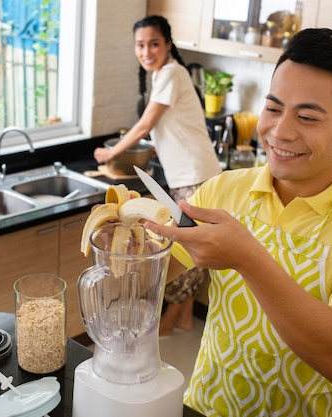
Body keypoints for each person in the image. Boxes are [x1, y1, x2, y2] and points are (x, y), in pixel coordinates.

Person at [145, 28, 332, 416]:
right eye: (272, 109)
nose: (280, 131)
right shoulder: (223, 189)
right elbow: (147, 278)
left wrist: (248, 259)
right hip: (204, 406)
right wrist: (131, 244)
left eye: (307, 117)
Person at [94, 15, 221, 336]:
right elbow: (169, 126)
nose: (146, 51)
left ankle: (165, 325)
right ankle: (180, 318)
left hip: (195, 175)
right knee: (189, 245)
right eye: (140, 45)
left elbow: (145, 125)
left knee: (183, 246)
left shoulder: (172, 72)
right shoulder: (167, 75)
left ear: (167, 45)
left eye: (153, 43)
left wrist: (111, 153)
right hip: (194, 172)